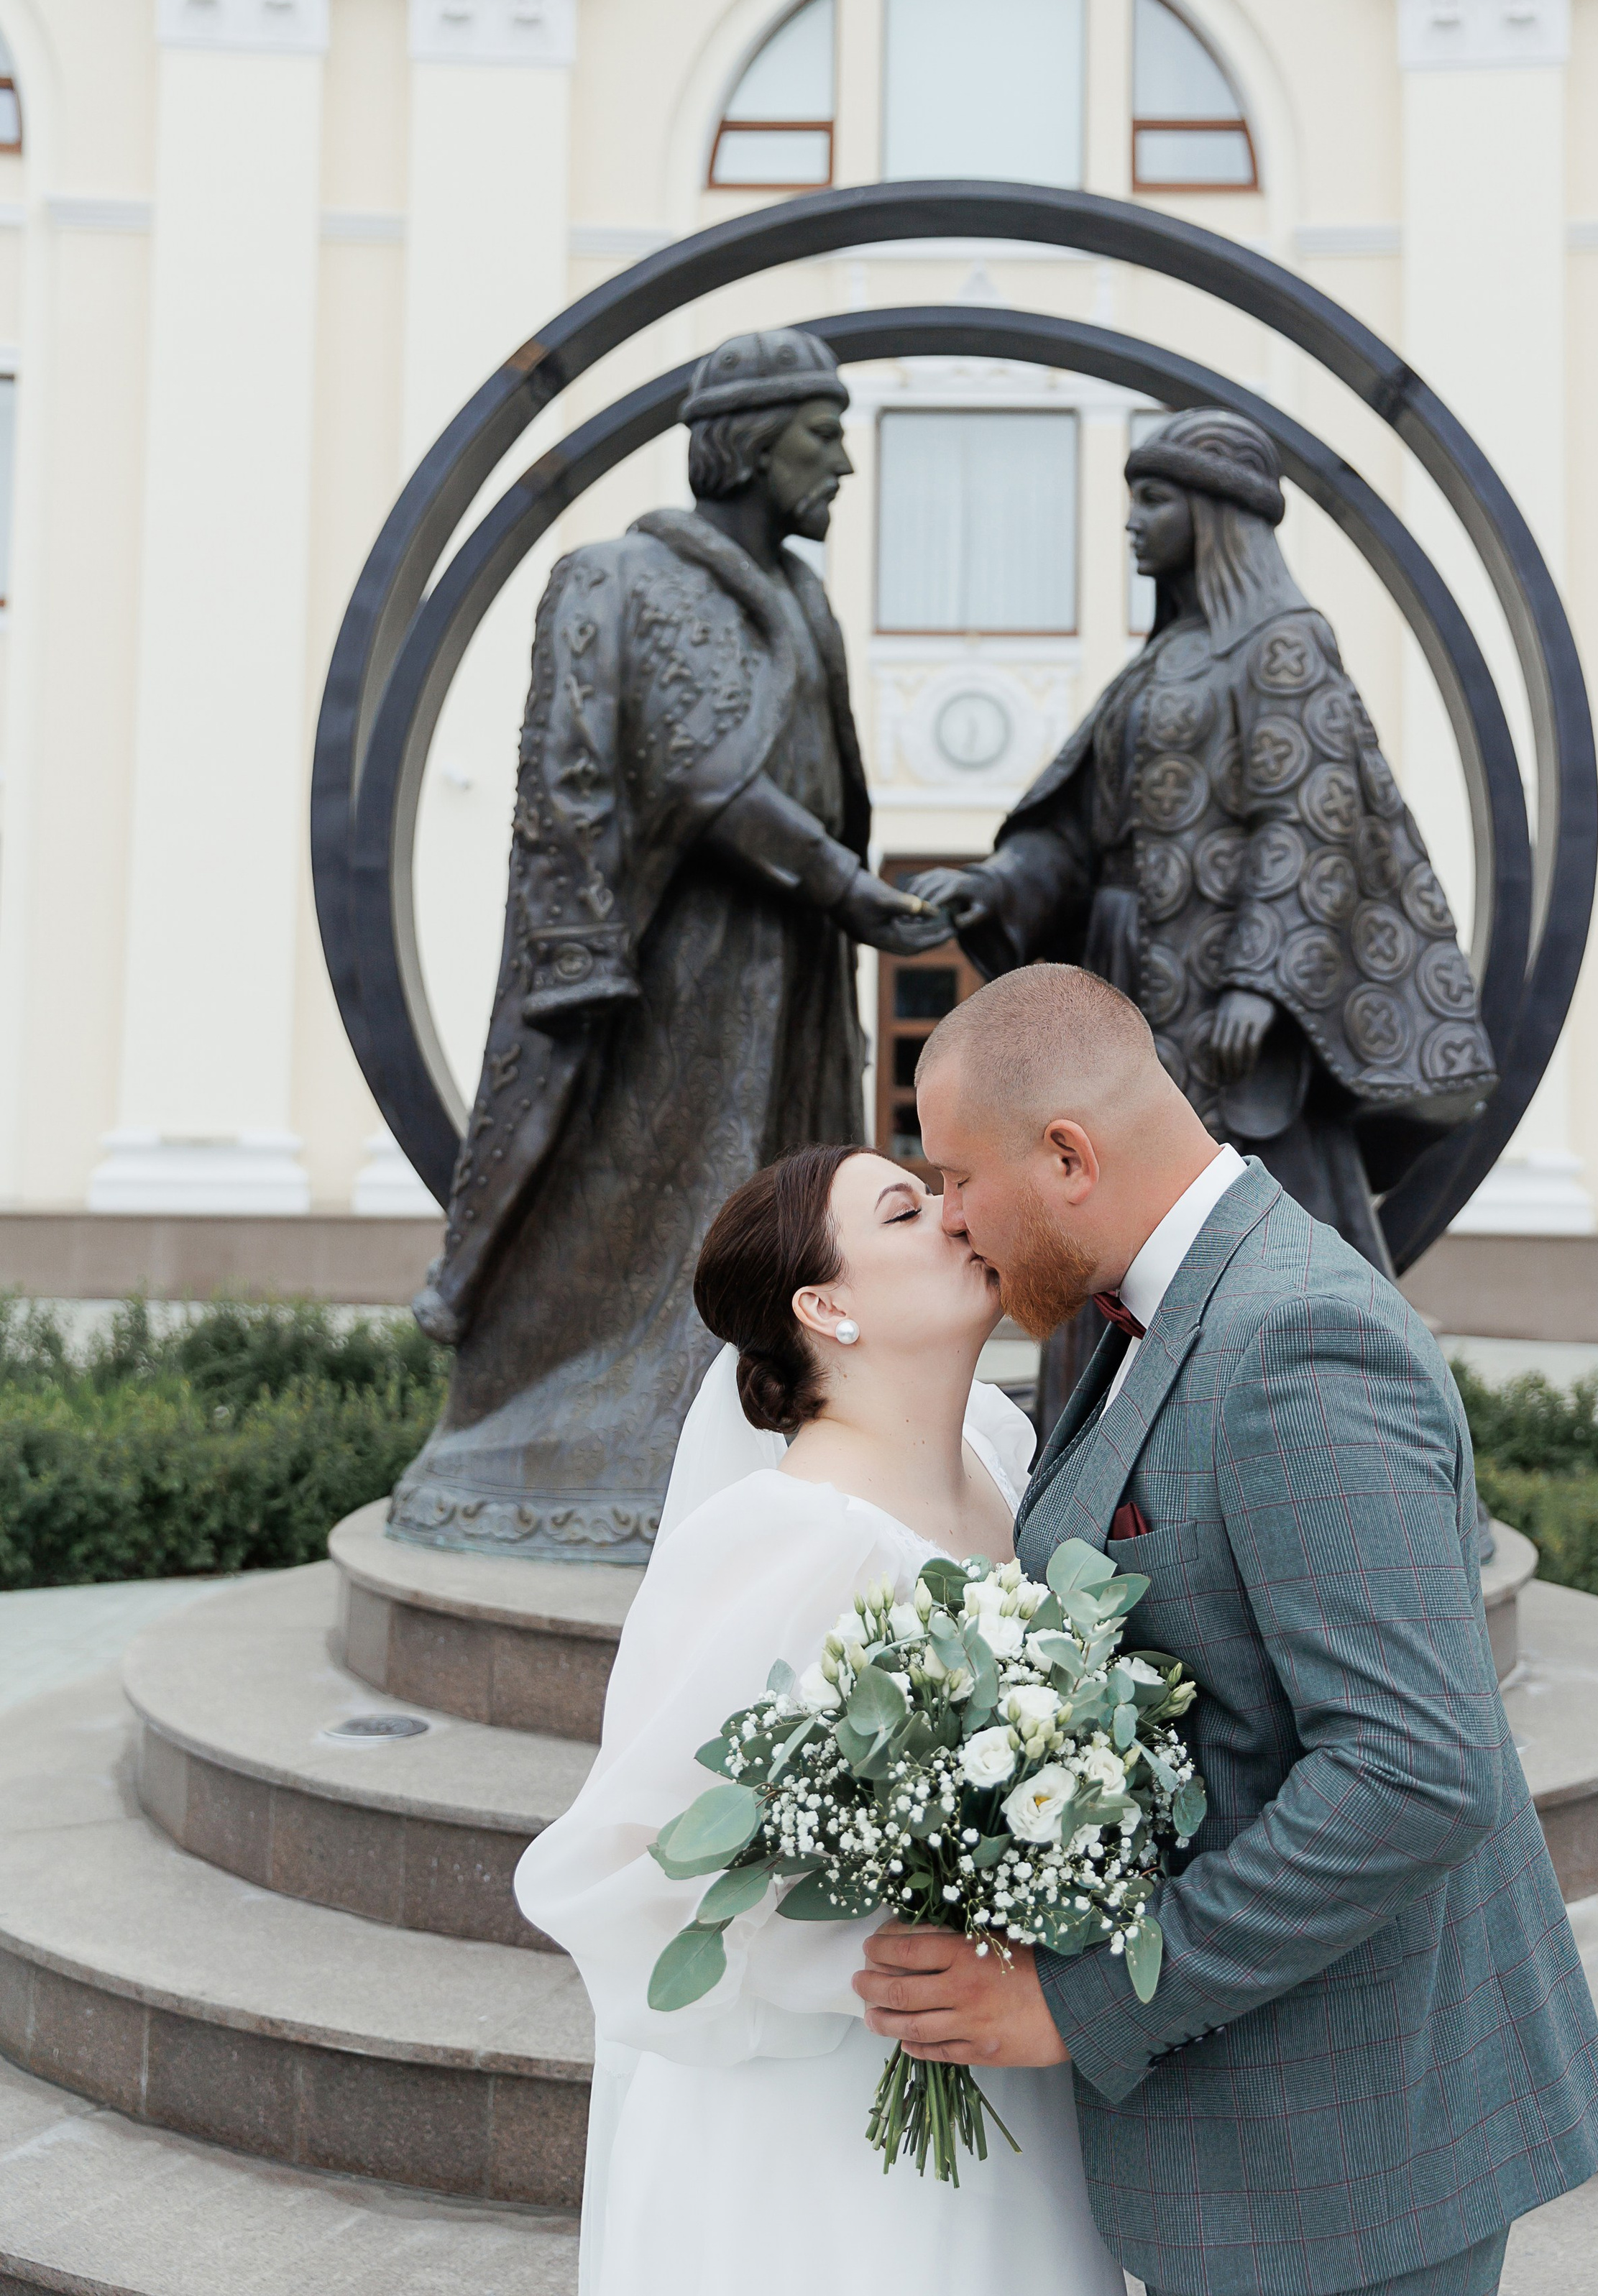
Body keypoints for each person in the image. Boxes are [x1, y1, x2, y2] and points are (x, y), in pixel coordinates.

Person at [854, 961, 1598, 2296]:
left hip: (1354, 2162)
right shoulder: (1146, 1306)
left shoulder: (1299, 1340)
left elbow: (1412, 1771)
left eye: (962, 1178)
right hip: (1268, 2145)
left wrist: (1074, 2002)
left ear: (1070, 1156)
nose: (959, 1222)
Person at [513, 1142, 1126, 2296]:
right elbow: (624, 1866)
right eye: (906, 1210)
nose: (955, 1215)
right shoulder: (780, 1542)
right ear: (826, 1305)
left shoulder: (1004, 1457)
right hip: (828, 2125)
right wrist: (886, 1950)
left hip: (1021, 2079)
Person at [394, 327, 945, 1563]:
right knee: (660, 1211)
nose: (845, 467)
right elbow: (696, 776)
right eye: (824, 434)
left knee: (794, 1208)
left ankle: (778, 1425)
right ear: (749, 443)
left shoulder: (805, 603)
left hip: (793, 966)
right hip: (672, 980)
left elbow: (816, 778)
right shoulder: (626, 578)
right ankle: (605, 1446)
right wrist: (849, 884)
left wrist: (850, 898)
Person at [911, 410, 1495, 1283]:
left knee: (1255, 1221)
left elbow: (1311, 817)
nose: (1131, 522)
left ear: (1215, 512)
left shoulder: (1283, 642)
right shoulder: (1159, 663)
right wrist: (1000, 882)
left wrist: (1261, 982)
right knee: (1109, 1211)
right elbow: (1080, 832)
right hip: (1125, 981)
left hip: (1229, 1001)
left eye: (1153, 500)